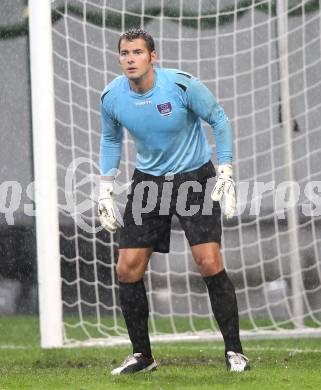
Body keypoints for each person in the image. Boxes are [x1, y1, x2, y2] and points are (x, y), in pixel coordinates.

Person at [98, 28, 249, 375]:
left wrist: (224, 170)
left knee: (208, 262)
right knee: (127, 268)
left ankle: (234, 351)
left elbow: (219, 119)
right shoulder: (110, 96)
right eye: (125, 53)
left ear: (153, 57)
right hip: (148, 183)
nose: (130, 59)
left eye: (137, 52)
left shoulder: (182, 86)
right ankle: (142, 355)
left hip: (193, 178)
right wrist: (105, 189)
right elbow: (110, 139)